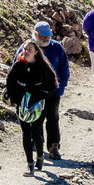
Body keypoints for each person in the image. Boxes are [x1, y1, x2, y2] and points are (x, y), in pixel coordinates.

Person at [5, 40, 59, 173]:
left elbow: (53, 84)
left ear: (36, 52)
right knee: (26, 133)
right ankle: (30, 164)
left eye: (30, 49)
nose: (26, 51)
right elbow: (10, 84)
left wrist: (41, 97)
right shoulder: (18, 66)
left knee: (36, 132)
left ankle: (40, 157)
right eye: (25, 49)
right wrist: (18, 101)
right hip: (22, 105)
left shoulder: (42, 66)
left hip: (38, 106)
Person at [33, 18, 69, 161]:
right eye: (43, 35)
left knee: (53, 118)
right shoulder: (29, 48)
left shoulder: (56, 47)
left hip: (54, 90)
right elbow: (17, 66)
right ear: (36, 34)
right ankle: (37, 146)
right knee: (36, 119)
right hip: (34, 92)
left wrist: (61, 87)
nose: (47, 37)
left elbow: (64, 69)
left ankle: (54, 148)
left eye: (48, 34)